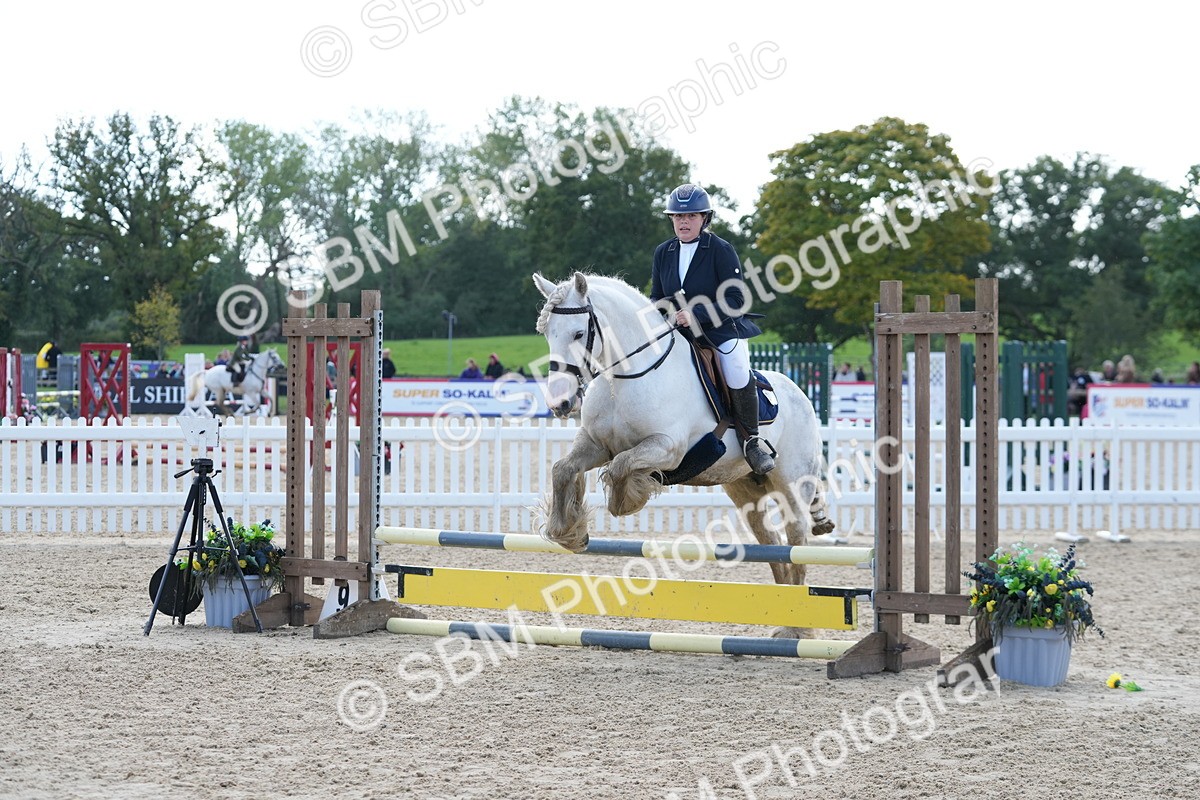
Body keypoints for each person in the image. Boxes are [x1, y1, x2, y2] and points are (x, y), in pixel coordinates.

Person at [649, 182, 774, 475]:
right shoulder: (663, 252)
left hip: (719, 332)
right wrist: (662, 312)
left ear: (704, 218)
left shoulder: (720, 249)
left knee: (737, 367)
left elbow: (737, 299)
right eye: (678, 217)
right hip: (678, 335)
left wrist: (697, 313)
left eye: (691, 216)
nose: (683, 222)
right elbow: (656, 295)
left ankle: (751, 441)